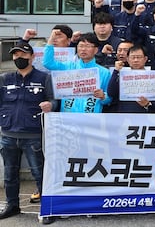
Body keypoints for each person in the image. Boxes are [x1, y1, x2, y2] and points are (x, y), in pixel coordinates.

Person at [0, 42, 55, 223]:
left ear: (32, 57)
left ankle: (47, 209)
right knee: (10, 174)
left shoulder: (44, 78)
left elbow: (54, 101)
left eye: (23, 55)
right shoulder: (5, 78)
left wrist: (50, 105)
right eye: (16, 55)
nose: (19, 58)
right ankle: (12, 205)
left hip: (33, 135)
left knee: (39, 174)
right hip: (8, 135)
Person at [42, 31, 112, 113]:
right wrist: (51, 40)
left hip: (92, 118)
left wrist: (103, 96)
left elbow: (109, 99)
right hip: (67, 116)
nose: (83, 49)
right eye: (81, 46)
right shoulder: (68, 66)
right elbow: (48, 63)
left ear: (96, 50)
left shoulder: (105, 72)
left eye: (87, 46)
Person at [107, 45, 155, 113]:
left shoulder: (154, 77)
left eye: (139, 57)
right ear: (128, 59)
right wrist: (116, 71)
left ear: (145, 59)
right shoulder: (122, 75)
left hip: (148, 115)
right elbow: (111, 93)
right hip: (125, 115)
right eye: (133, 57)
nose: (136, 60)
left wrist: (148, 104)